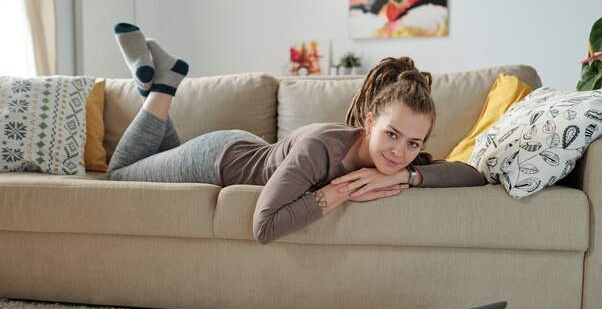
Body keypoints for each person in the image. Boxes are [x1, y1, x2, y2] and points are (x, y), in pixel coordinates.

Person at [107, 23, 486, 244]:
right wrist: (333, 194)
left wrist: (409, 174)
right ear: (369, 123)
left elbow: (473, 174)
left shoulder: (399, 161)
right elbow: (264, 226)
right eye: (391, 134)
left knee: (155, 156)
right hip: (215, 159)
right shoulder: (320, 150)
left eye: (413, 143)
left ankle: (157, 80)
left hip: (246, 149)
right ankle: (163, 87)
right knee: (119, 174)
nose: (399, 150)